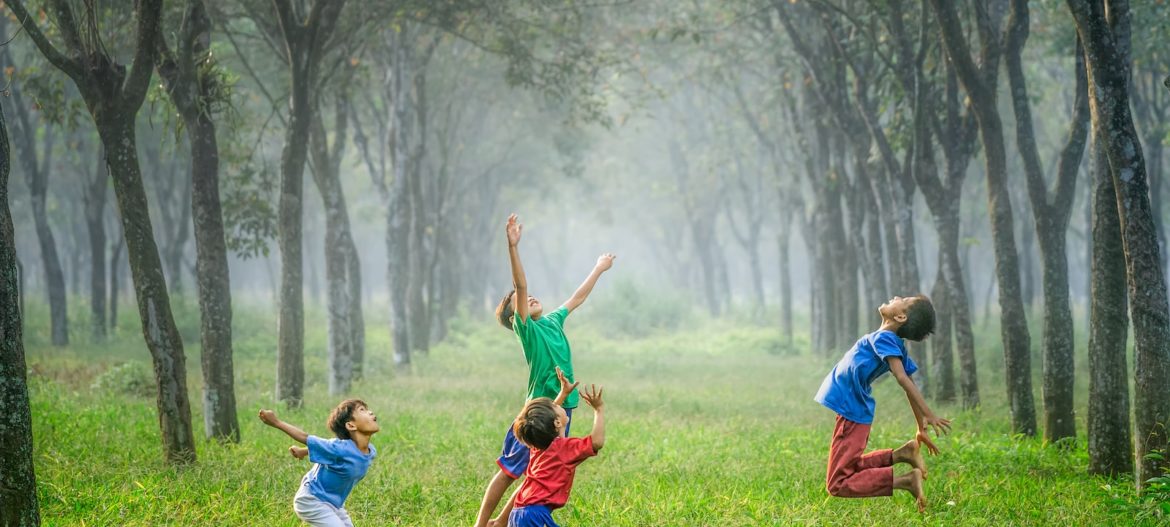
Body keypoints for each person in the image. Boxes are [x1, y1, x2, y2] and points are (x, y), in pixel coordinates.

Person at [474, 213, 615, 527]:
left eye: (528, 298)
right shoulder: (528, 330)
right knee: (511, 470)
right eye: (519, 302)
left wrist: (598, 268)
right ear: (516, 317)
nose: (529, 297)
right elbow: (520, 284)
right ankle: (482, 523)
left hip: (562, 408)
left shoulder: (552, 321)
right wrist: (513, 247)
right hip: (536, 411)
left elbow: (577, 297)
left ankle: (505, 521)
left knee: (538, 468)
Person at [813, 295, 951, 512]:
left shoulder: (886, 338)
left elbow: (903, 378)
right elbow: (909, 382)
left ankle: (905, 481)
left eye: (903, 299)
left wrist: (928, 414)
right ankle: (902, 454)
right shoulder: (891, 341)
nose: (896, 296)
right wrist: (920, 426)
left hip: (852, 412)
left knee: (837, 483)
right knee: (849, 467)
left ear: (900, 316)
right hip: (852, 410)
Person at [497, 371, 605, 527]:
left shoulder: (539, 445)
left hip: (519, 512)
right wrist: (599, 410)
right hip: (534, 514)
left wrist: (563, 393)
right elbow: (597, 442)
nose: (559, 406)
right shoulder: (564, 449)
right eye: (556, 406)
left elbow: (545, 420)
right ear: (557, 423)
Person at [258, 400, 379, 527]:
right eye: (362, 410)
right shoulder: (339, 448)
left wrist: (303, 452)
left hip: (334, 504)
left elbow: (329, 453)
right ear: (351, 425)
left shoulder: (370, 451)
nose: (370, 412)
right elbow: (306, 438)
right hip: (312, 499)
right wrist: (276, 422)